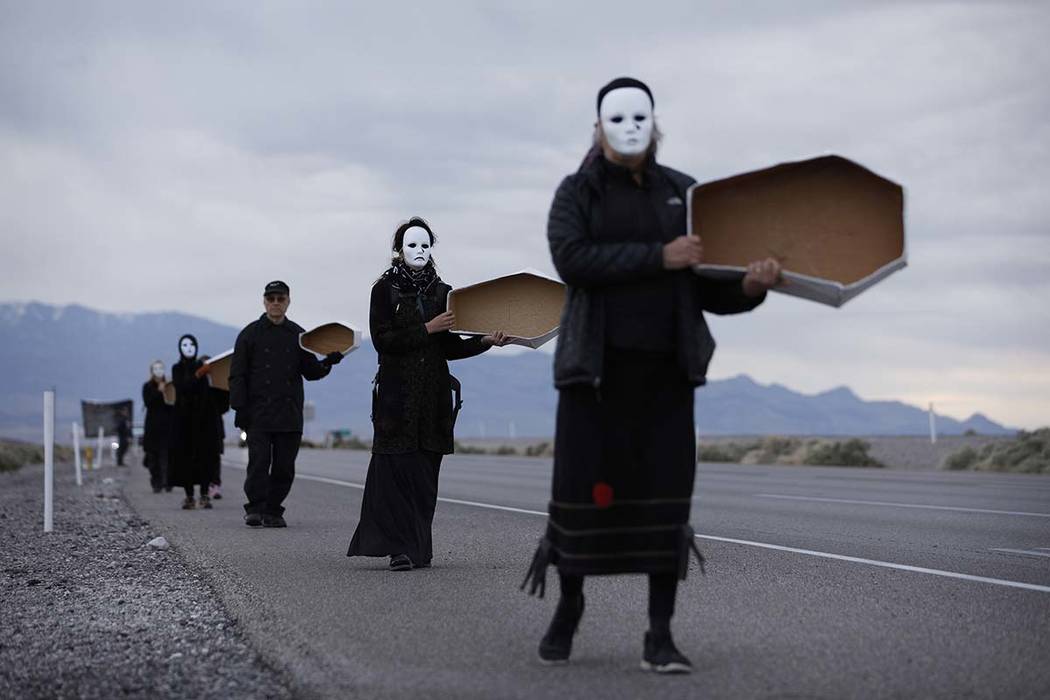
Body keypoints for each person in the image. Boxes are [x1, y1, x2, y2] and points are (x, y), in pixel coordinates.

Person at [520, 77, 782, 673]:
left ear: (655, 123)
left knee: (665, 507)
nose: (631, 128)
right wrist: (658, 256)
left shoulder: (685, 194)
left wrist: (750, 285)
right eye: (617, 118)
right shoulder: (577, 192)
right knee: (584, 499)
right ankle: (570, 607)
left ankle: (659, 635)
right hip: (595, 378)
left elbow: (710, 282)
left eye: (641, 117)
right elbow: (573, 260)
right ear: (598, 127)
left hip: (666, 378)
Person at [347, 217, 508, 571]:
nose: (419, 251)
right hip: (396, 399)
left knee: (424, 477)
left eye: (425, 245)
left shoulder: (444, 293)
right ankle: (398, 549)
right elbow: (383, 341)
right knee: (395, 475)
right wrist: (427, 328)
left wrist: (484, 342)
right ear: (398, 249)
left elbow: (449, 348)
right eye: (412, 244)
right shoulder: (384, 290)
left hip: (432, 399)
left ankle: (417, 547)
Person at [228, 280, 344, 528]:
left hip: (289, 414)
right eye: (271, 299)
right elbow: (237, 375)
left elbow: (311, 371)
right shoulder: (249, 335)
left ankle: (273, 510)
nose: (276, 303)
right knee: (258, 464)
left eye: (280, 298)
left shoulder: (298, 335)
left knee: (284, 467)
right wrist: (239, 409)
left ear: (288, 301)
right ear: (264, 301)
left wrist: (328, 362)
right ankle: (255, 509)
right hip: (257, 414)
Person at [170, 335, 217, 510]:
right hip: (183, 421)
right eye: (184, 344)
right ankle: (189, 496)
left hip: (203, 421)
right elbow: (182, 387)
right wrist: (198, 375)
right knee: (186, 458)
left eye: (191, 344)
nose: (188, 348)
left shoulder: (203, 367)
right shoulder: (177, 368)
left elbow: (208, 393)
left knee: (204, 457)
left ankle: (204, 494)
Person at [142, 360, 173, 493]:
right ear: (152, 371)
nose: (159, 371)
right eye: (156, 368)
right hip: (152, 427)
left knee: (167, 456)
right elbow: (148, 403)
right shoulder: (147, 386)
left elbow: (173, 403)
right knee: (153, 457)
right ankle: (156, 481)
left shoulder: (169, 385)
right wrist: (158, 392)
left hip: (167, 427)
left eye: (161, 368)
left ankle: (167, 481)